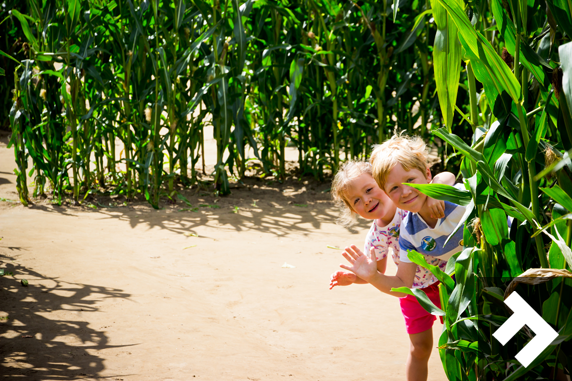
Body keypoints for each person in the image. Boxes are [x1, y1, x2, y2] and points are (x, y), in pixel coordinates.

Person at [339, 134, 465, 381]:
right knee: (428, 347)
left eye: (369, 190)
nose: (367, 200)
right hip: (421, 290)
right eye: (357, 201)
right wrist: (362, 277)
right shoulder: (398, 233)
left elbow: (446, 176)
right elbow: (391, 278)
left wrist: (436, 192)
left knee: (464, 338)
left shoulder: (428, 201)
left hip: (457, 278)